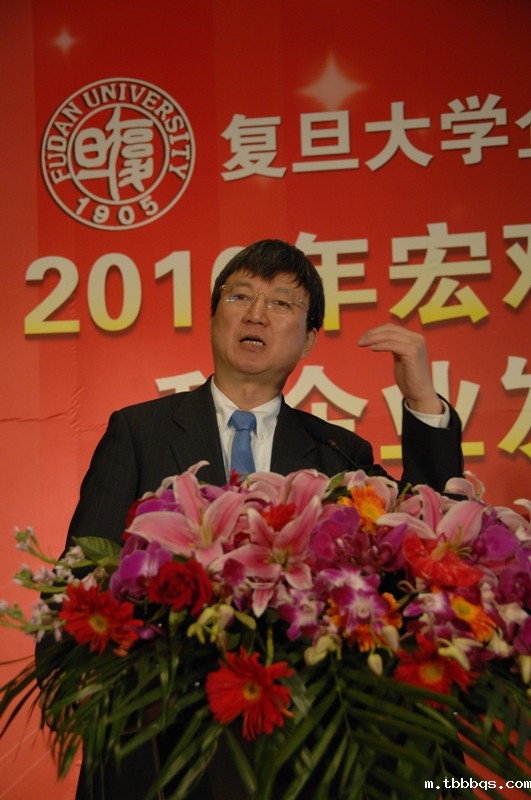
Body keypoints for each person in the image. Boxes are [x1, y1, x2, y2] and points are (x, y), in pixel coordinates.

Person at [63, 239, 463, 799]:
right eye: (240, 296)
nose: (256, 313)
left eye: (280, 303)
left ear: (310, 338)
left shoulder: (338, 453)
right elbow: (80, 575)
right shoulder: (138, 431)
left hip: (301, 749)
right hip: (162, 745)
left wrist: (421, 400)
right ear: (213, 317)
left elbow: (428, 540)